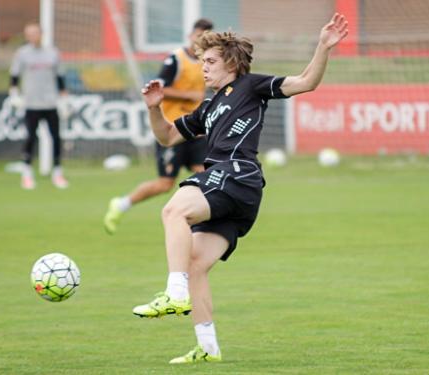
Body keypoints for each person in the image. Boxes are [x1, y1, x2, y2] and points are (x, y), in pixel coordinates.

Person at [132, 14, 349, 364]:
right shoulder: (209, 106)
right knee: (195, 264)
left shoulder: (251, 86)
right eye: (201, 62)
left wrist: (323, 46)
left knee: (173, 210)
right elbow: (167, 136)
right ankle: (207, 348)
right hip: (241, 195)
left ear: (231, 63)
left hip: (235, 173)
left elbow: (307, 81)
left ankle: (174, 293)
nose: (203, 68)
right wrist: (155, 109)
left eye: (210, 62)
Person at [103, 19, 214, 234]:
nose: (200, 40)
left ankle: (200, 223)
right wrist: (187, 95)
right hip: (173, 130)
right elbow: (157, 88)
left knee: (206, 174)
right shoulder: (176, 59)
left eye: (205, 37)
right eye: (198, 36)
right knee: (165, 183)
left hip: (195, 129)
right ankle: (121, 204)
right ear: (190, 36)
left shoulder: (207, 62)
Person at [9, 23, 69, 190]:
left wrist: (64, 100)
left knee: (56, 137)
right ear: (26, 36)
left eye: (36, 33)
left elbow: (60, 77)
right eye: (30, 33)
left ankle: (57, 172)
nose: (33, 36)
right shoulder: (22, 54)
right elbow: (14, 76)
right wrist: (14, 95)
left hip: (50, 102)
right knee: (30, 137)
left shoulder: (53, 53)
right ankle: (27, 173)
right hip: (31, 103)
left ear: (41, 34)